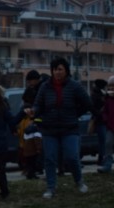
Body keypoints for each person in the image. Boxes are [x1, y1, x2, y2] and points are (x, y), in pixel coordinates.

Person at [30, 57, 92, 199]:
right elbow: (38, 104)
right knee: (50, 158)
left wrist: (76, 114)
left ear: (66, 70)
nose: (57, 72)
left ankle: (79, 181)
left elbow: (87, 103)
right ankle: (51, 188)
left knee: (71, 156)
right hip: (49, 128)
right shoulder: (45, 86)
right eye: (54, 70)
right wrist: (34, 111)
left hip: (69, 128)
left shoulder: (74, 86)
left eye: (60, 69)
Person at [15, 70, 45, 180]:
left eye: (30, 81)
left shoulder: (42, 88)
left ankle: (35, 169)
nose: (29, 83)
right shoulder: (31, 89)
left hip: (37, 121)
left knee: (35, 147)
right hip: (30, 121)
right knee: (30, 147)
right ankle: (32, 170)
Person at [90, 79, 108, 166]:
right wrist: (100, 113)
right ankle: (102, 158)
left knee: (102, 141)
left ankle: (102, 158)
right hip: (100, 120)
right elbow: (93, 107)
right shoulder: (98, 95)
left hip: (100, 119)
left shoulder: (96, 94)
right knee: (103, 140)